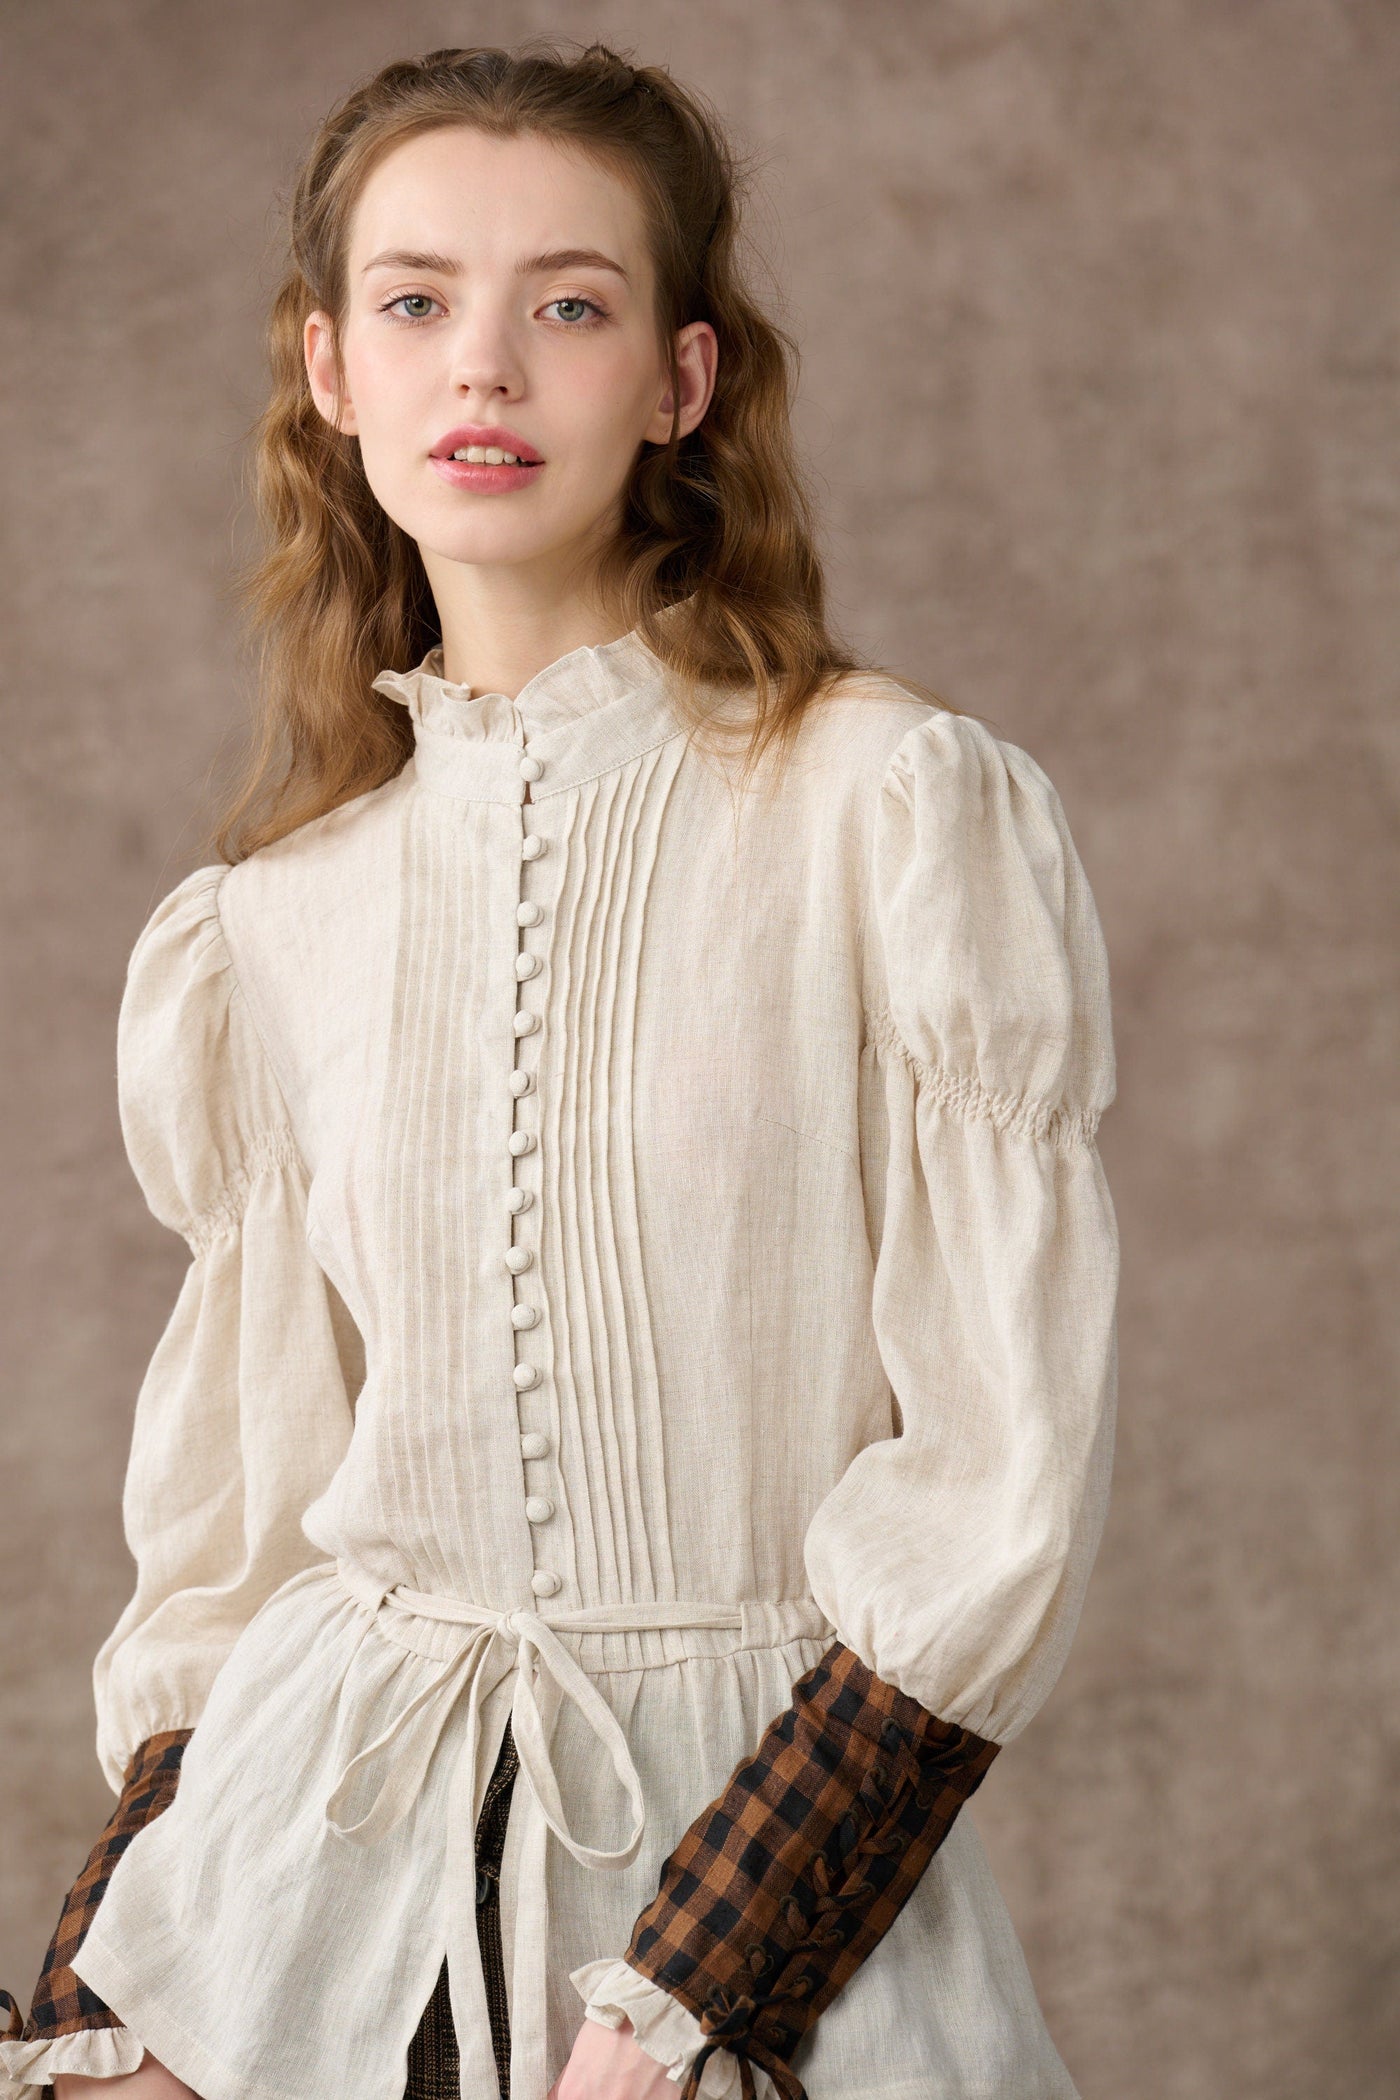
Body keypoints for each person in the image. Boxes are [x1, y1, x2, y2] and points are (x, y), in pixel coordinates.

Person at [0, 36, 1120, 2100]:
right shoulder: (272, 920)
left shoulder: (884, 805)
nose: (485, 369)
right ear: (331, 371)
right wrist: (109, 1997)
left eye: (570, 307)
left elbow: (995, 1478)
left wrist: (699, 1988)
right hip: (303, 1921)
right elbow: (239, 1542)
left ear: (683, 380)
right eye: (417, 301)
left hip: (745, 1907)